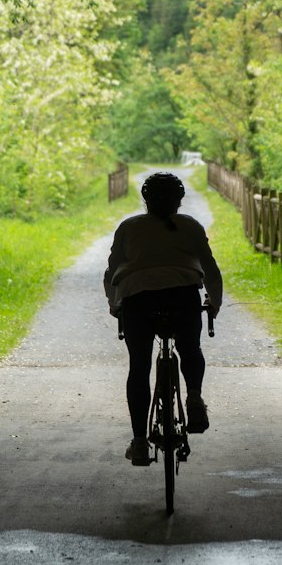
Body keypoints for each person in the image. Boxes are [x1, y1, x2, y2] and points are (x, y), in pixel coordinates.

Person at [104, 171, 223, 467]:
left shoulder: (129, 227)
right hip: (183, 296)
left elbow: (112, 270)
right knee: (190, 348)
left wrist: (115, 303)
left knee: (139, 365)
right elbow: (210, 268)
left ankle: (139, 443)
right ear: (179, 200)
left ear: (145, 199)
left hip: (138, 299)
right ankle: (194, 397)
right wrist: (214, 302)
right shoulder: (190, 225)